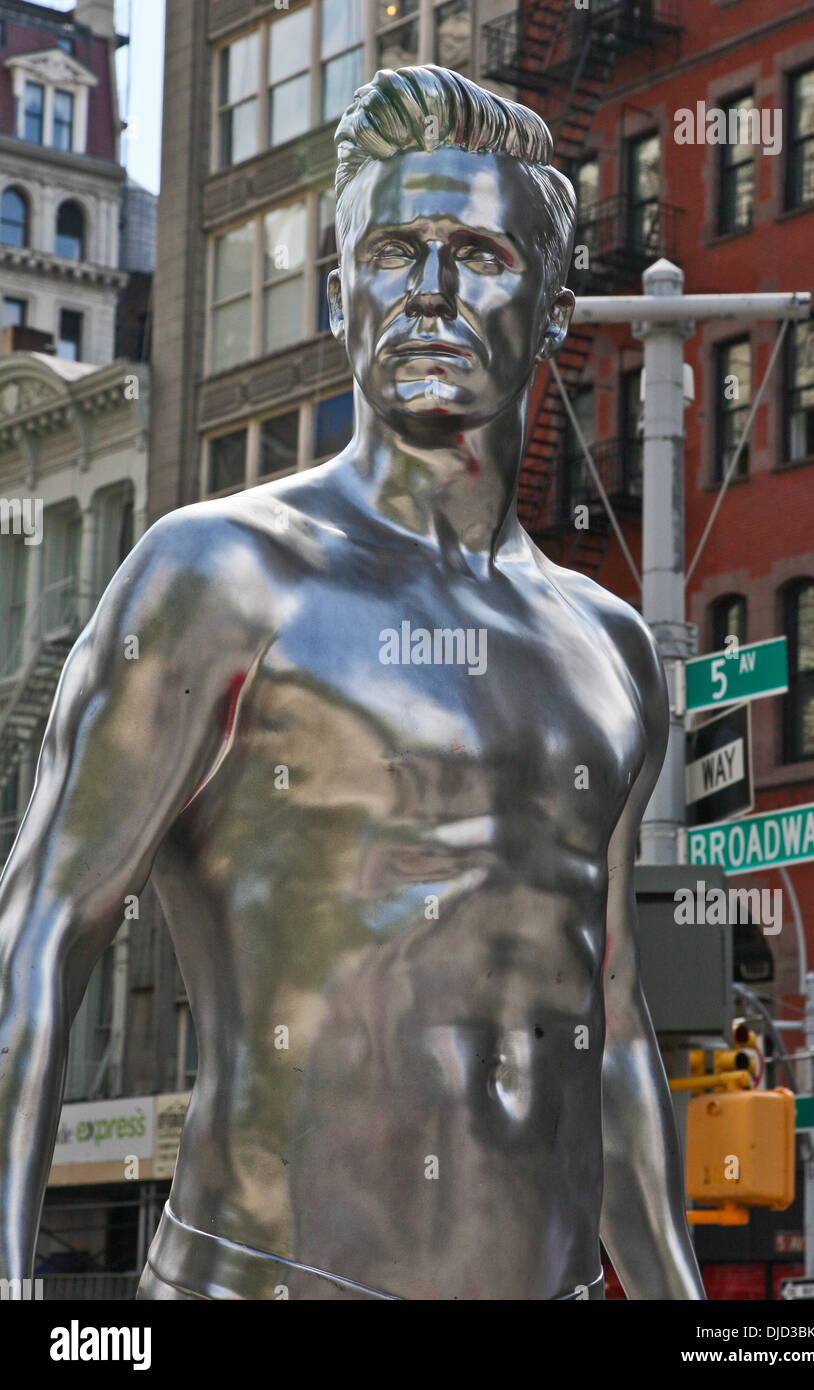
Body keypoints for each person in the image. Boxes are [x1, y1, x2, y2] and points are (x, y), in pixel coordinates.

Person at [0, 64, 704, 1301]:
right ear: (337, 297)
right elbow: (39, 939)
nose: (428, 294)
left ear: (549, 309)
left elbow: (606, 1022)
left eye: (477, 253)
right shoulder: (216, 575)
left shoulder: (610, 646)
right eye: (392, 250)